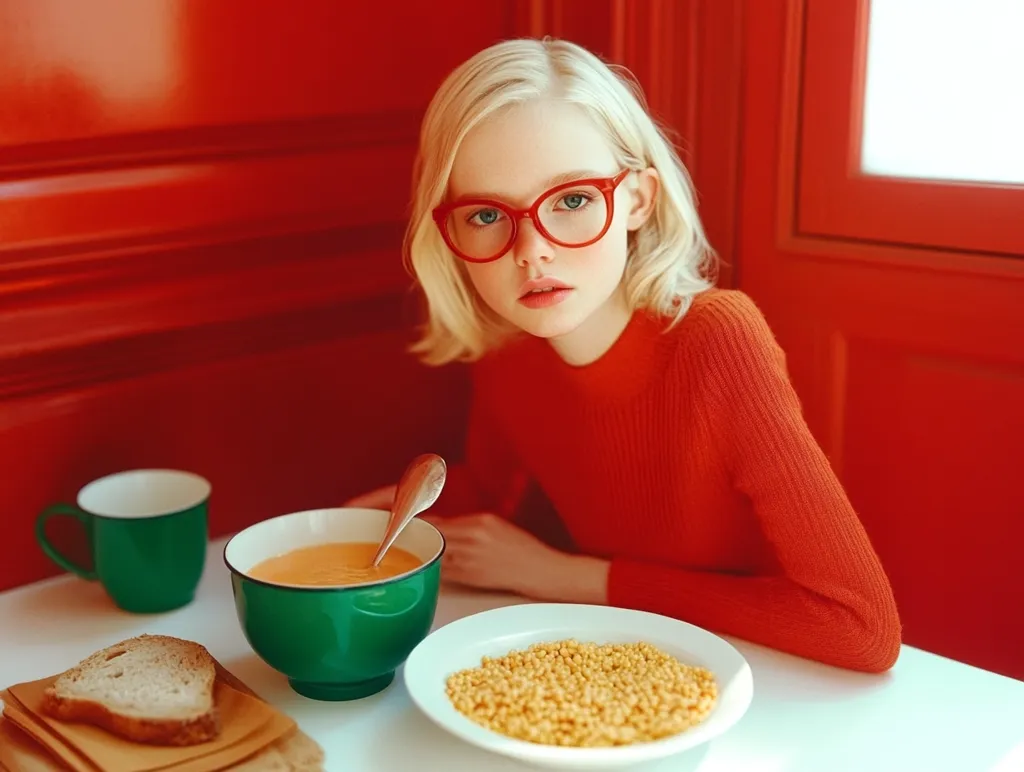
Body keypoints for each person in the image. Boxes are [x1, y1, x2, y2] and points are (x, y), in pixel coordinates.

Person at [346, 38, 902, 673]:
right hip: (622, 666)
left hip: (763, 679)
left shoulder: (720, 341)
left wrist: (569, 576)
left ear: (638, 199)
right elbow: (495, 496)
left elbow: (860, 628)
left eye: (572, 200)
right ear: (447, 230)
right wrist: (388, 516)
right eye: (485, 215)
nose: (531, 251)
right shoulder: (509, 347)